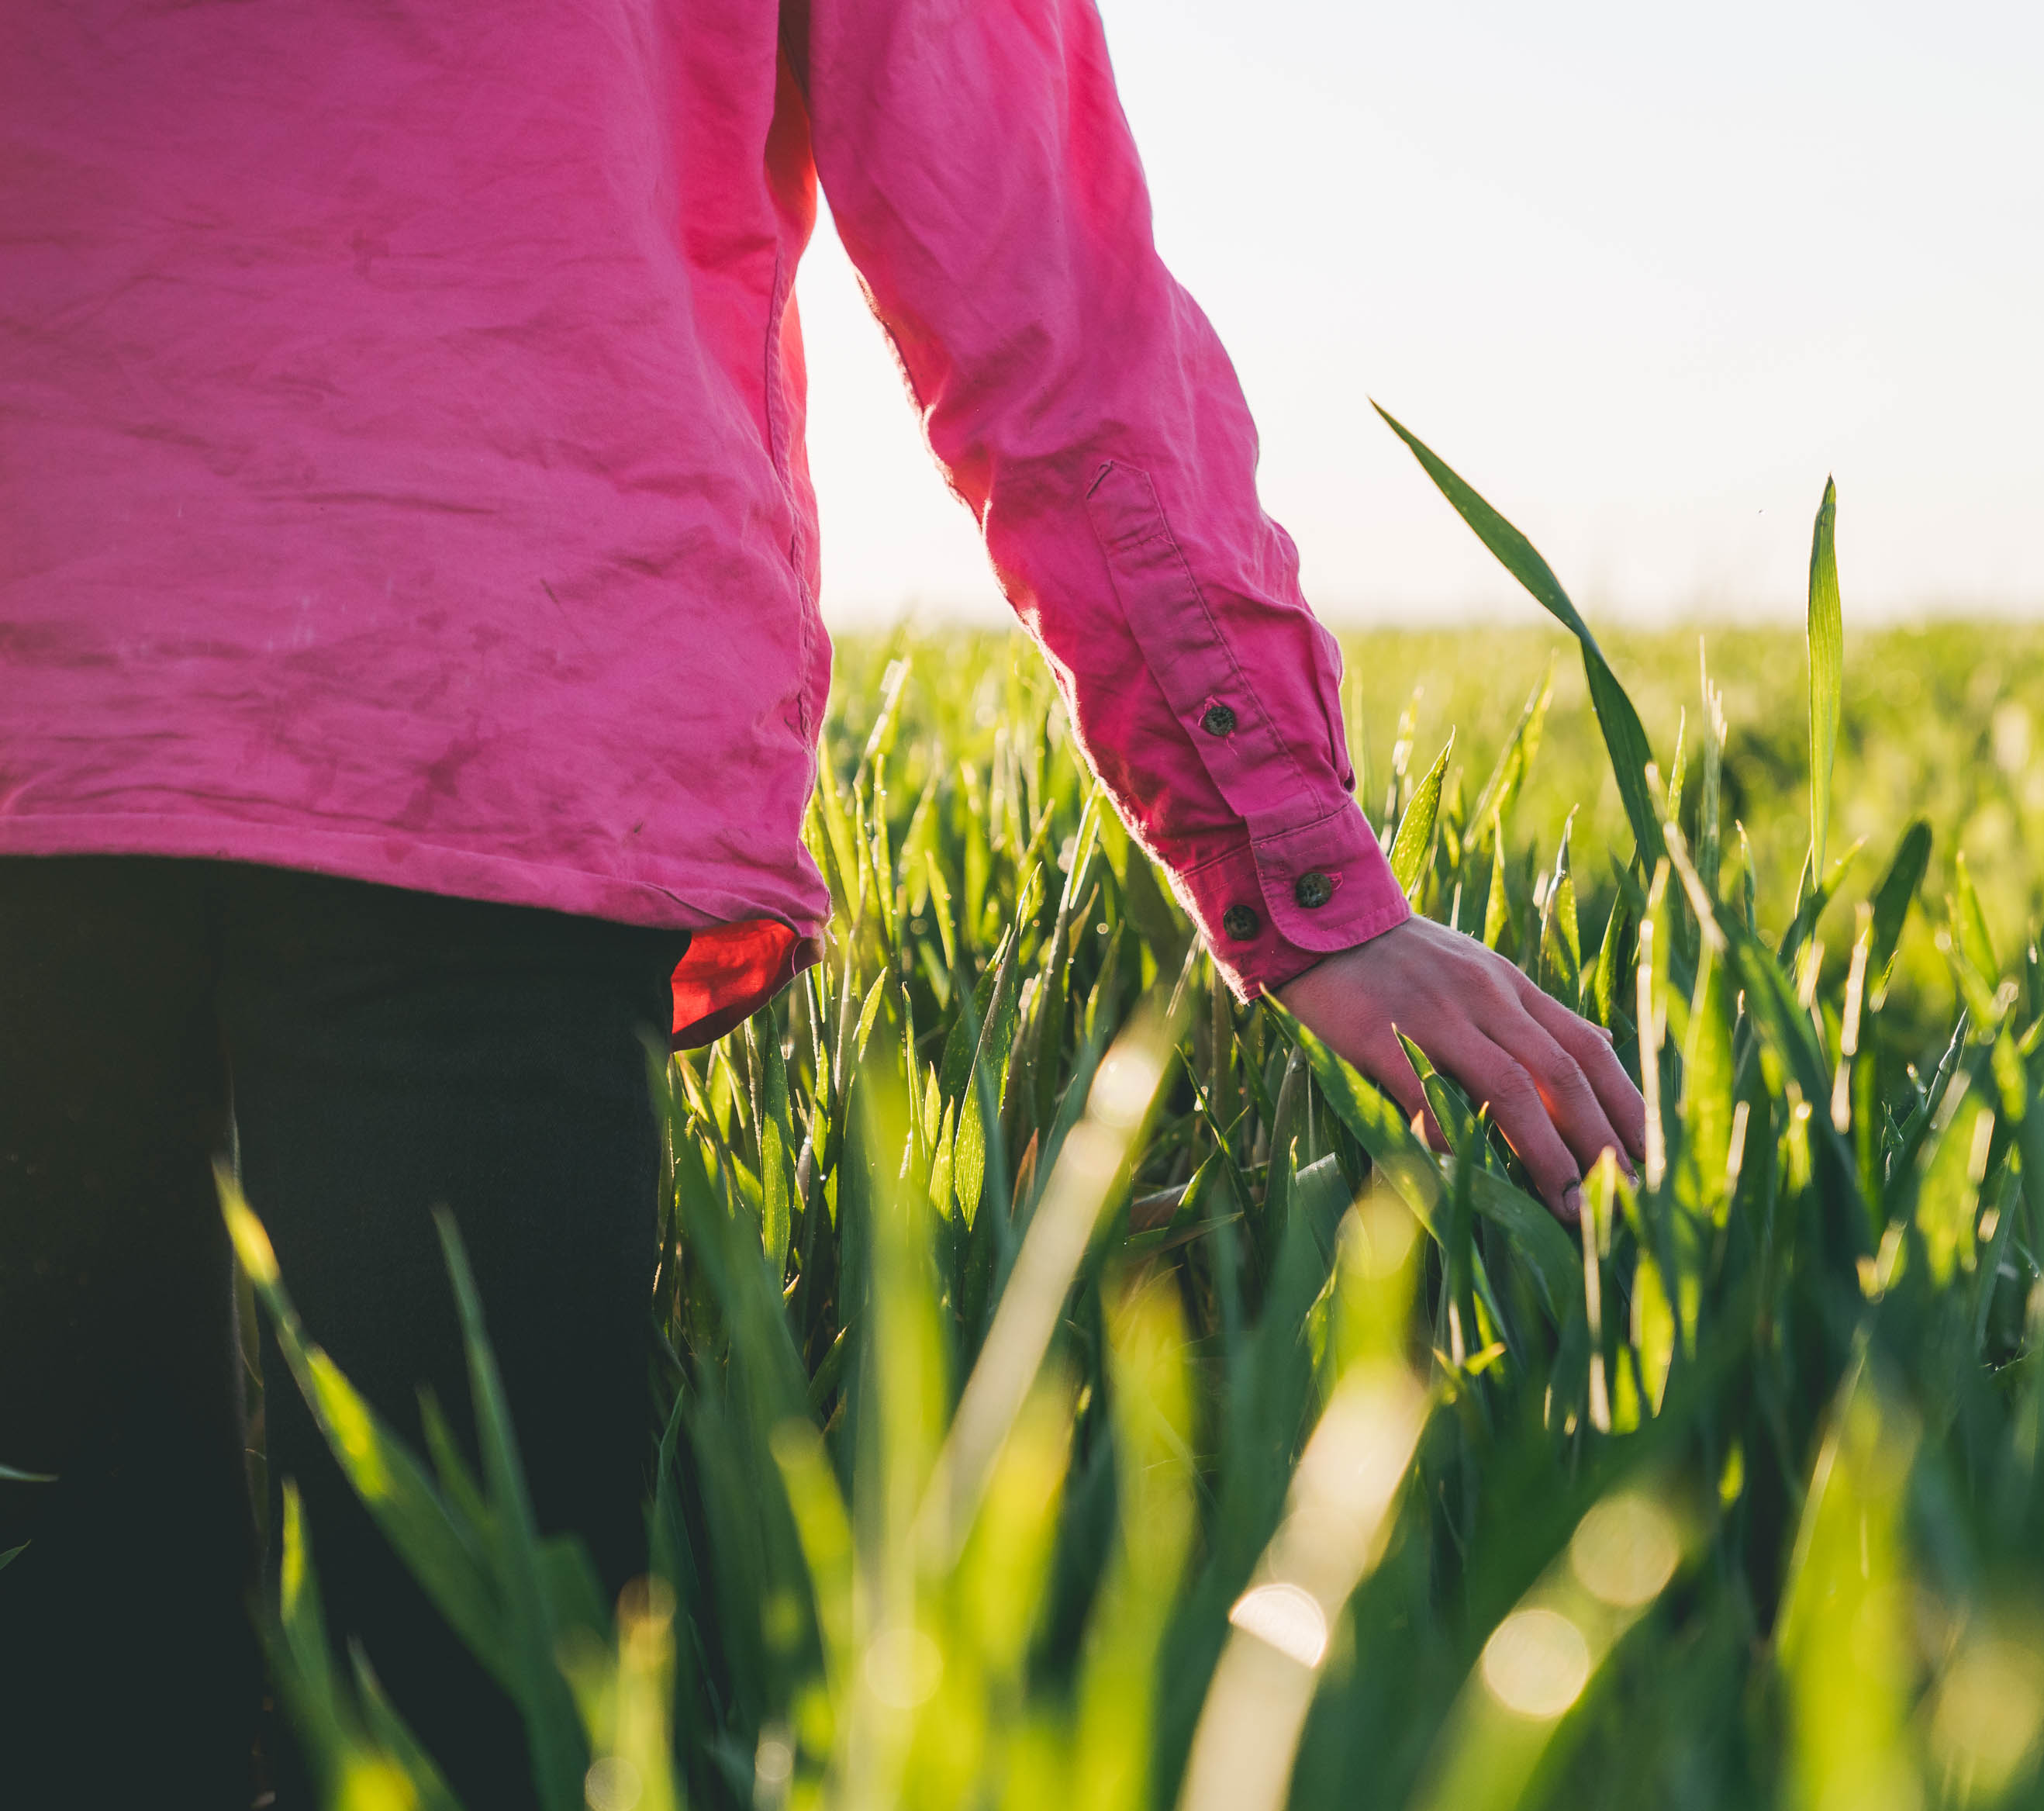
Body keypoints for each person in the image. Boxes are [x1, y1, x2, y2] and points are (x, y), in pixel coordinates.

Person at [0, 1, 1643, 1804]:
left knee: (63, 1671)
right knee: (467, 1710)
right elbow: (1037, 282)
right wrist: (1293, 862)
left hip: (143, 712)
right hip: (482, 730)